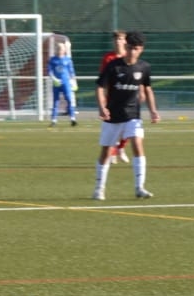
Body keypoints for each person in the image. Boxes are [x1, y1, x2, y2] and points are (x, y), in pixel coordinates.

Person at [93, 30, 159, 200]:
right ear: (125, 46)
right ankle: (99, 189)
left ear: (141, 49)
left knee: (137, 144)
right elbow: (100, 87)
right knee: (106, 151)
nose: (131, 52)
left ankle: (139, 187)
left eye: (135, 49)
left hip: (133, 115)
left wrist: (153, 110)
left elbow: (148, 89)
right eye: (129, 48)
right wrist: (102, 107)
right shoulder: (113, 66)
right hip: (112, 116)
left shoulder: (144, 67)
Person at [99, 30, 130, 164]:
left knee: (128, 126)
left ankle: (121, 148)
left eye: (120, 39)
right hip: (111, 97)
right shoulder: (108, 58)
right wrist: (104, 98)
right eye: (116, 39)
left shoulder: (128, 56)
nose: (118, 41)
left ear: (125, 41)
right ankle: (112, 153)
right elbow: (103, 79)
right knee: (112, 126)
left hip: (126, 96)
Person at [47, 34, 79, 126]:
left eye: (61, 49)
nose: (59, 50)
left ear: (64, 50)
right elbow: (49, 71)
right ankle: (54, 120)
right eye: (58, 49)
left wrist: (73, 81)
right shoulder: (52, 60)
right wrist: (54, 79)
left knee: (69, 99)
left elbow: (71, 71)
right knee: (55, 101)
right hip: (57, 83)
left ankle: (72, 118)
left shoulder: (67, 60)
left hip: (66, 83)